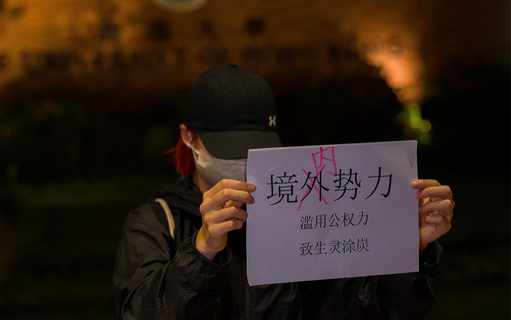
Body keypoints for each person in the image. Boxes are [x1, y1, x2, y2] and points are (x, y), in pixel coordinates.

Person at [113, 64, 454, 320]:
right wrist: (202, 251)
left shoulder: (299, 214)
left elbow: (358, 309)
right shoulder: (156, 223)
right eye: (228, 148)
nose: (243, 160)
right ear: (189, 137)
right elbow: (141, 312)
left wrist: (408, 248)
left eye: (255, 148)